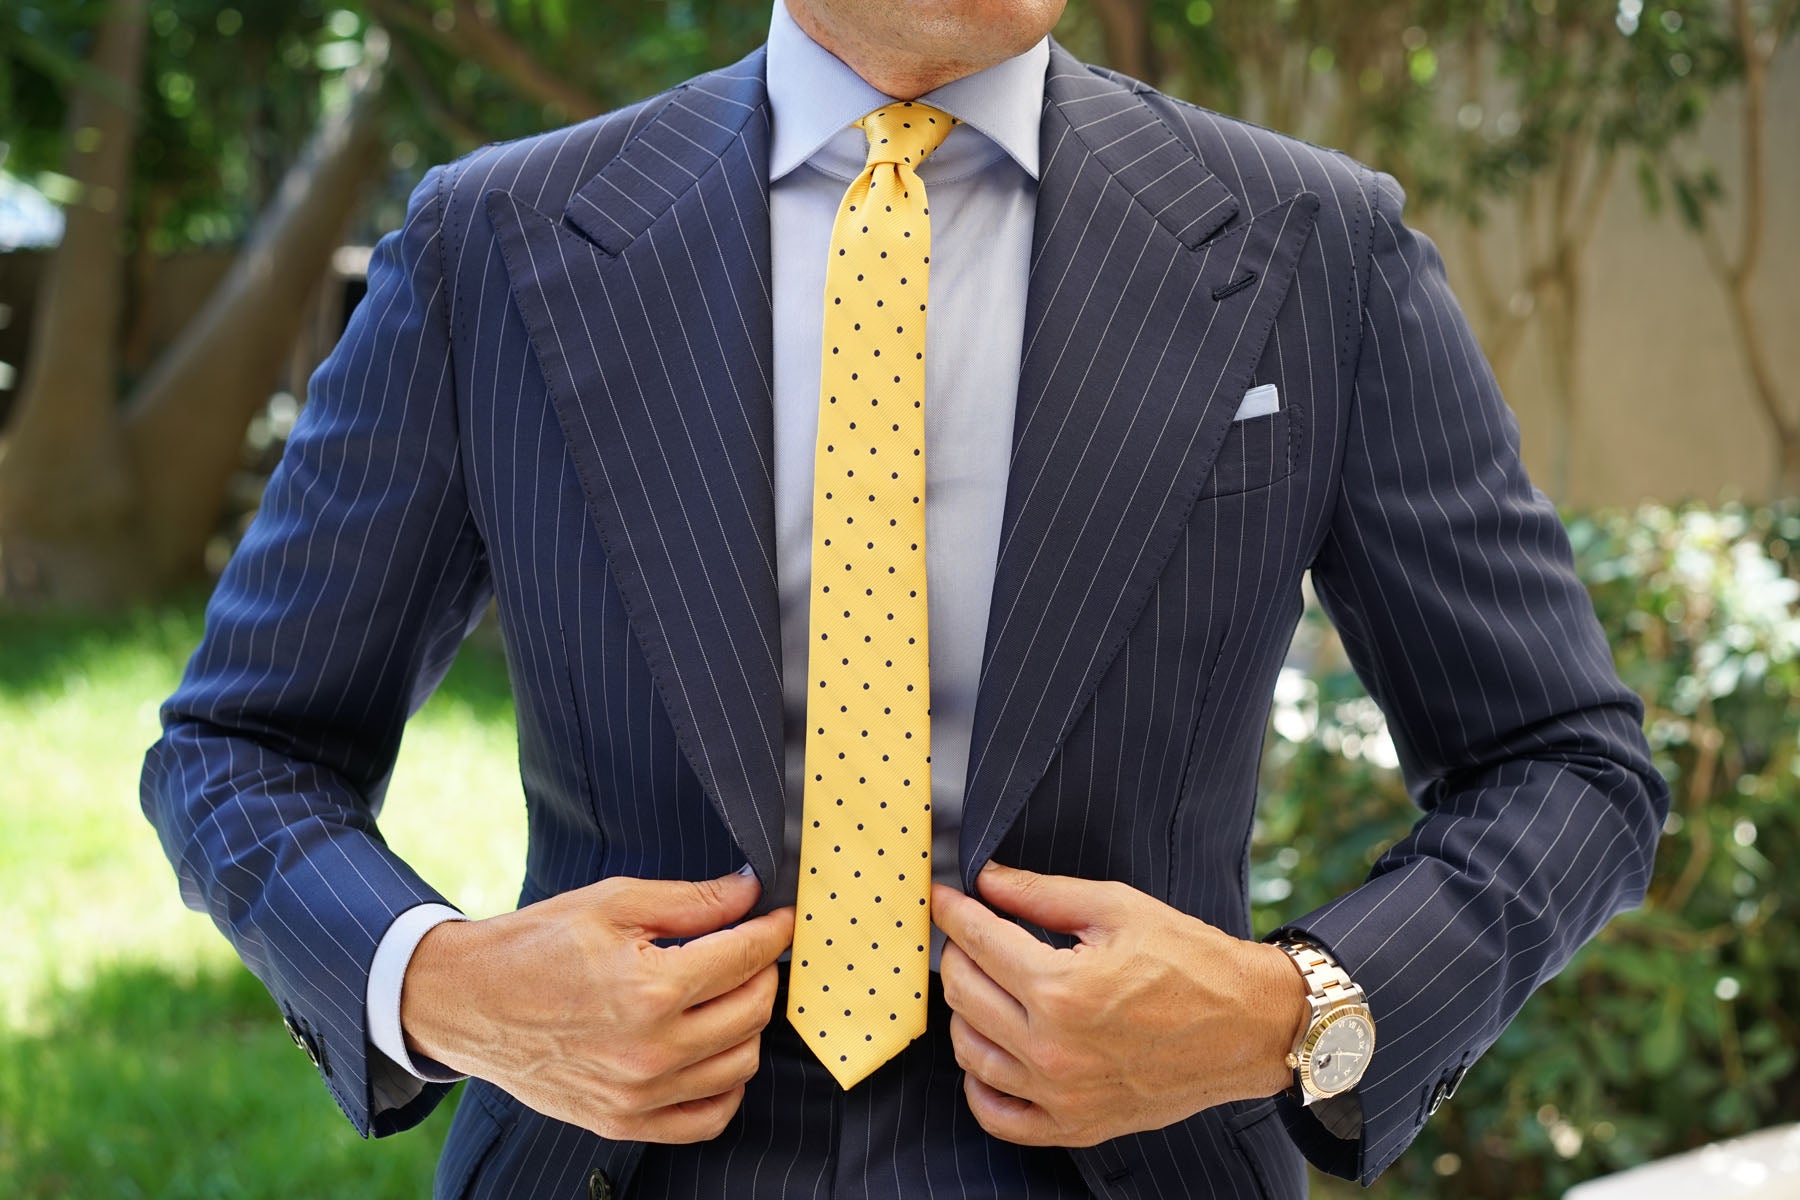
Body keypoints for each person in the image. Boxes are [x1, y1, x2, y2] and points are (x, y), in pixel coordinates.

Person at [140, 0, 1669, 1196]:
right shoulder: (492, 246)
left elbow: (1565, 766)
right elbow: (240, 749)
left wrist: (1293, 1011)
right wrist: (446, 987)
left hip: (1136, 1171)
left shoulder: (1316, 251)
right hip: (612, 1166)